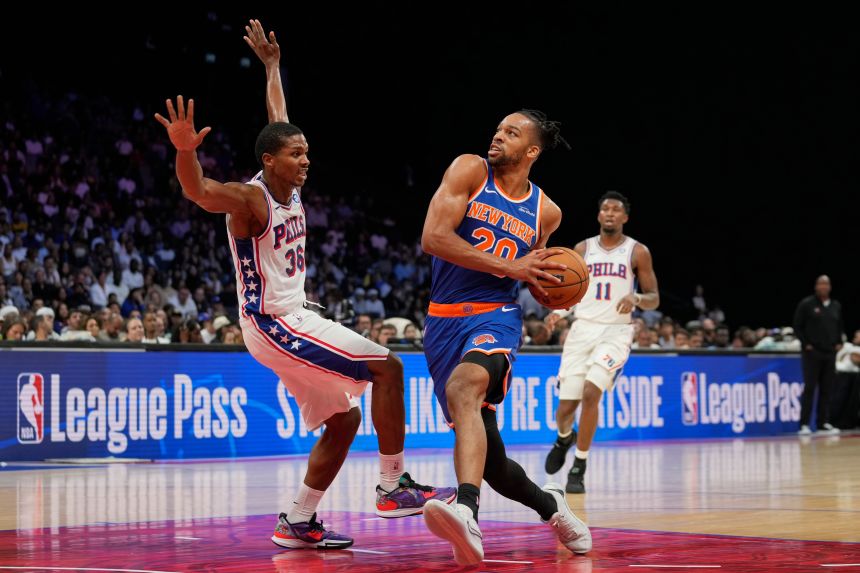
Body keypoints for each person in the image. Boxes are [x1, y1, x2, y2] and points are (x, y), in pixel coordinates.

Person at [154, 19, 453, 550]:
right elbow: (198, 190)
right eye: (297, 155)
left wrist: (271, 67)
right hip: (271, 324)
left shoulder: (284, 180)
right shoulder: (250, 200)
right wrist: (183, 148)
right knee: (389, 369)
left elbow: (279, 119)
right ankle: (391, 485)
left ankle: (296, 521)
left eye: (307, 153)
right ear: (268, 161)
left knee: (344, 419)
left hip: (294, 318)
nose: (306, 160)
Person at [420, 109, 591, 565]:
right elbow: (434, 237)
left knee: (464, 387)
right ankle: (552, 506)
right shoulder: (469, 170)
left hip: (496, 317)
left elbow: (538, 274)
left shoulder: (546, 211)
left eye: (510, 133)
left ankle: (466, 512)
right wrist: (511, 266)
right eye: (497, 129)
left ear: (531, 151)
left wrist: (553, 299)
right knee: (494, 465)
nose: (497, 137)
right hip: (442, 321)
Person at [544, 191, 659, 494]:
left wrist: (636, 297)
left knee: (591, 392)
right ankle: (564, 436)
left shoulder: (637, 252)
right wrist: (558, 312)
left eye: (616, 209)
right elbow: (571, 289)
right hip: (582, 330)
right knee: (565, 407)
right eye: (605, 208)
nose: (609, 213)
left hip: (616, 332)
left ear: (625, 217)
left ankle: (579, 465)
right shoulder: (583, 248)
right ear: (599, 216)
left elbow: (653, 297)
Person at [793, 275, 843, 435]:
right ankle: (804, 424)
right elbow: (797, 326)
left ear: (830, 287)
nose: (823, 286)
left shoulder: (835, 305)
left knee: (827, 389)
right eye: (820, 283)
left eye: (826, 284)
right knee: (810, 388)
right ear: (816, 286)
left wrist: (838, 342)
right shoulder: (807, 304)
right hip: (812, 353)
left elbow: (839, 326)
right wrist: (806, 344)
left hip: (830, 353)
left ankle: (823, 423)